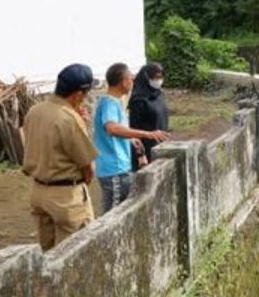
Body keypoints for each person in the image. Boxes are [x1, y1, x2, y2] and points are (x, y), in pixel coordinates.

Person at [22, 63, 98, 250]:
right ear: (79, 94)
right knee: (75, 253)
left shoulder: (35, 110)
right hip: (65, 195)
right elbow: (88, 167)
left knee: (47, 251)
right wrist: (81, 187)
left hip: (38, 190)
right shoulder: (69, 118)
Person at [93, 63, 170, 213]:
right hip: (113, 169)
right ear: (123, 81)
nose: (133, 82)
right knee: (112, 216)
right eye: (131, 78)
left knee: (122, 212)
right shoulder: (109, 103)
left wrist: (131, 139)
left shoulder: (115, 102)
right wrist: (147, 134)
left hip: (120, 167)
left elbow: (115, 129)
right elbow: (112, 128)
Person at [127, 62, 170, 170]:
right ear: (146, 77)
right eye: (155, 77)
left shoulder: (159, 94)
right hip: (147, 149)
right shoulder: (139, 100)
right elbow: (134, 129)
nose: (158, 80)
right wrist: (141, 155)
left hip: (162, 145)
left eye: (161, 77)